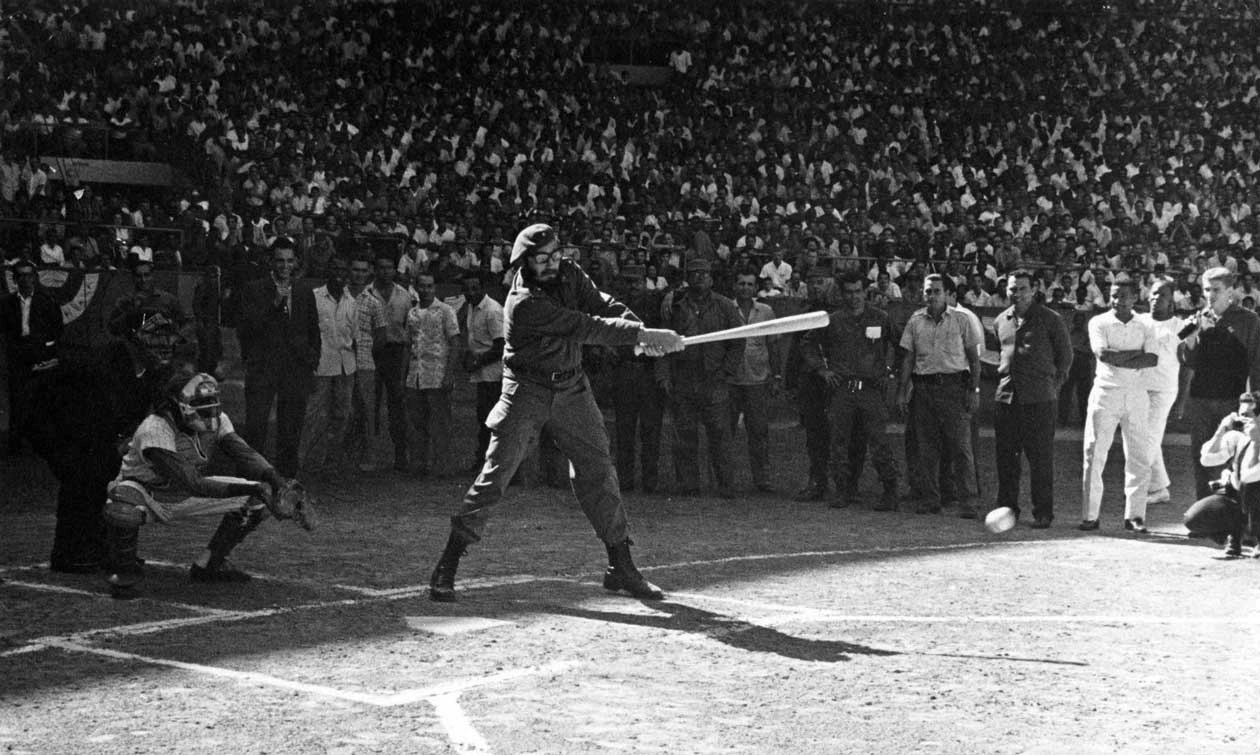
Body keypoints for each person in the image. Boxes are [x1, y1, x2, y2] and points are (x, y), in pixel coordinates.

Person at [426, 223, 684, 603]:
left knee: (598, 469)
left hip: (571, 387)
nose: (551, 264)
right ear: (524, 262)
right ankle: (448, 563)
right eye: (541, 259)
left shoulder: (569, 273)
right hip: (525, 391)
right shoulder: (524, 302)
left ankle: (620, 565)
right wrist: (642, 337)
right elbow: (584, 326)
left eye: (555, 255)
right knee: (496, 475)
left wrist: (641, 331)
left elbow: (602, 305)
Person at [23, 304, 187, 573]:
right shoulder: (106, 366)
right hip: (55, 422)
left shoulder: (151, 371)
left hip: (89, 426)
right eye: (156, 337)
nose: (165, 345)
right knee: (84, 476)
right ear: (133, 338)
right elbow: (87, 422)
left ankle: (107, 550)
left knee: (115, 473)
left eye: (167, 337)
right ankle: (70, 554)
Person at [101, 370, 290, 599]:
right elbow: (192, 483)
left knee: (258, 500)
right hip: (146, 494)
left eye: (211, 401)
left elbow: (245, 454)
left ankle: (209, 564)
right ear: (176, 403)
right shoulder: (155, 428)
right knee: (123, 506)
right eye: (200, 402)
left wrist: (278, 482)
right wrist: (255, 488)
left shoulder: (219, 420)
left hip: (184, 494)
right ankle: (123, 574)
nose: (208, 408)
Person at [801, 272, 899, 510]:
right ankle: (843, 489)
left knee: (879, 441)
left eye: (858, 291)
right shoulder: (833, 320)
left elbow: (901, 345)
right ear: (842, 294)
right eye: (849, 292)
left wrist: (889, 371)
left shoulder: (880, 318)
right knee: (839, 442)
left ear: (865, 292)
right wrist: (822, 370)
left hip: (871, 389)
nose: (854, 297)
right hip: (842, 389)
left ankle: (890, 490)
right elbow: (808, 344)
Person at [991, 270, 1073, 528]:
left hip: (1039, 401)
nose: (1017, 294)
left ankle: (1043, 513)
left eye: (1023, 288)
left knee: (1040, 460)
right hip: (1007, 399)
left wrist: (1051, 388)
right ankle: (1007, 509)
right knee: (1006, 459)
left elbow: (1065, 358)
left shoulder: (1051, 319)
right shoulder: (1000, 321)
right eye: (1013, 289)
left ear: (1034, 289)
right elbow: (998, 355)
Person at [657, 258, 744, 497]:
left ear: (711, 278)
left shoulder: (725, 306)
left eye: (704, 273)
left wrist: (726, 371)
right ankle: (688, 484)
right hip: (683, 378)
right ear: (688, 278)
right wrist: (664, 376)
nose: (700, 277)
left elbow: (738, 341)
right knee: (684, 434)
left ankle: (725, 484)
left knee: (720, 434)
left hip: (714, 379)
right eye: (695, 273)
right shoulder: (675, 306)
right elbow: (662, 343)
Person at [897, 274, 982, 517]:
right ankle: (930, 499)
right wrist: (902, 391)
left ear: (946, 294)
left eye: (936, 291)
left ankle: (968, 501)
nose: (931, 296)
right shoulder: (916, 320)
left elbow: (974, 360)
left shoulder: (961, 319)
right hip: (924, 389)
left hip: (954, 388)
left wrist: (974, 390)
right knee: (926, 448)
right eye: (928, 291)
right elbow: (909, 358)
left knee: (961, 448)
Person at [237, 237, 320, 477]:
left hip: (295, 368)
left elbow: (313, 330)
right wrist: (274, 303)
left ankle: (285, 480)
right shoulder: (255, 288)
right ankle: (251, 479)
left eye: (289, 261)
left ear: (296, 263)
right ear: (271, 262)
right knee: (256, 426)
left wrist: (312, 360)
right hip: (263, 366)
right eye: (280, 261)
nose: (285, 266)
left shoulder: (304, 290)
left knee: (291, 428)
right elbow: (247, 328)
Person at [1080, 280, 1158, 532]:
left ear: (1135, 297)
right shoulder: (1098, 322)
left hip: (1137, 395)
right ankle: (1090, 516)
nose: (1118, 301)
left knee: (1139, 456)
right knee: (1094, 454)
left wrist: (1119, 357)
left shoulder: (1147, 324)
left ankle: (1135, 516)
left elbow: (1152, 359)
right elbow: (1103, 355)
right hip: (1105, 394)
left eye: (1124, 296)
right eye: (1114, 296)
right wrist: (1135, 354)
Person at [1180, 267, 1260, 499]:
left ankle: (1233, 513)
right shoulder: (1198, 319)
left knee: (1233, 459)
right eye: (1207, 290)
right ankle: (1204, 510)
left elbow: (1256, 363)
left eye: (1216, 290)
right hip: (1201, 400)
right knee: (1202, 457)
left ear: (1230, 291)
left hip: (1232, 401)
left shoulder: (1249, 320)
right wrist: (1191, 338)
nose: (1210, 295)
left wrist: (1254, 403)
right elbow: (1189, 362)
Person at [1184, 391, 1260, 558]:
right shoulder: (1238, 437)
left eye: (1249, 416)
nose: (1244, 421)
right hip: (1242, 500)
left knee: (1252, 489)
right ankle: (1235, 535)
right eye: (1241, 415)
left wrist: (1256, 442)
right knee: (1194, 518)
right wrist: (1222, 430)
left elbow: (1251, 477)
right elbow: (1206, 459)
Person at [299, 256, 356, 476]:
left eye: (343, 270)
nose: (340, 274)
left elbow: (354, 336)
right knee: (313, 414)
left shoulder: (352, 301)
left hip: (345, 367)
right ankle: (304, 461)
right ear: (328, 271)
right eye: (335, 269)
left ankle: (332, 462)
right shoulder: (315, 297)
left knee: (342, 415)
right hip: (320, 365)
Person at [610, 264, 665, 493]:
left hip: (649, 372)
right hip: (624, 371)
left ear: (644, 282)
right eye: (628, 282)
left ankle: (650, 481)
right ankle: (625, 481)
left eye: (636, 282)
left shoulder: (656, 303)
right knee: (624, 430)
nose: (632, 286)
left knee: (651, 430)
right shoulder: (615, 307)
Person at [788, 266, 840, 501]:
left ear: (831, 283)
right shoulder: (805, 313)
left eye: (820, 282)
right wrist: (790, 382)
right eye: (811, 283)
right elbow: (795, 350)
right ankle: (817, 480)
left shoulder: (842, 311)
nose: (816, 287)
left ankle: (845, 484)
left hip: (839, 379)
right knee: (815, 433)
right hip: (811, 380)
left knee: (843, 433)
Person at [1, 259, 62, 456]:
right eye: (22, 276)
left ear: (35, 278)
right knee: (17, 399)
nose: (26, 280)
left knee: (43, 398)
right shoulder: (6, 303)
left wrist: (48, 350)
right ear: (15, 279)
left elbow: (57, 328)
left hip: (41, 354)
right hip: (18, 355)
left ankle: (43, 442)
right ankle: (15, 443)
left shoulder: (47, 301)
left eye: (29, 275)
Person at [729, 271, 779, 494]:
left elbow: (773, 344)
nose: (745, 288)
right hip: (731, 380)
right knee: (725, 431)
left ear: (755, 287)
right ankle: (725, 478)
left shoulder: (766, 311)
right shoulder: (726, 308)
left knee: (759, 432)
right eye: (741, 283)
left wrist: (776, 376)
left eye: (750, 284)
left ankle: (762, 479)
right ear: (735, 286)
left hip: (757, 380)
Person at [405, 272, 459, 477]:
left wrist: (449, 374)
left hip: (437, 374)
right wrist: (404, 375)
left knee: (439, 423)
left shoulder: (445, 311)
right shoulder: (412, 313)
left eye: (429, 286)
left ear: (435, 288)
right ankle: (419, 463)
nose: (426, 290)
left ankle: (441, 466)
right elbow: (408, 345)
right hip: (416, 375)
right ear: (416, 288)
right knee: (417, 422)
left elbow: (454, 343)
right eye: (422, 286)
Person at [1137, 280, 1185, 506]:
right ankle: (1159, 488)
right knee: (1145, 438)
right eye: (1154, 294)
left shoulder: (1180, 326)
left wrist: (1182, 401)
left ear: (1171, 301)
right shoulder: (1139, 322)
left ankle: (1139, 487)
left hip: (1163, 391)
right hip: (1138, 388)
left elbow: (1187, 365)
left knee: (1147, 440)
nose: (1157, 298)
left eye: (1163, 295)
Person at [368, 249, 415, 471]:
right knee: (369, 404)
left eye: (389, 268)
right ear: (375, 270)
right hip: (371, 353)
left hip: (396, 354)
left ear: (395, 270)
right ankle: (366, 453)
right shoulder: (366, 293)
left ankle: (400, 454)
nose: (385, 272)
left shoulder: (404, 295)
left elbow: (409, 329)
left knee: (397, 404)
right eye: (381, 268)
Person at [459, 270, 505, 473]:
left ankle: (493, 463)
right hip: (482, 374)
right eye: (467, 289)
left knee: (492, 419)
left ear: (483, 289)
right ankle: (484, 460)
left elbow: (501, 346)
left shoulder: (492, 310)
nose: (471, 293)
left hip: (494, 374)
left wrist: (477, 362)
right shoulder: (471, 307)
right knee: (483, 417)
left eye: (475, 288)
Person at [346, 254, 381, 472]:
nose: (359, 274)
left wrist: (367, 352)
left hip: (365, 363)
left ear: (368, 273)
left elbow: (381, 335)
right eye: (355, 270)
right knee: (344, 410)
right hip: (341, 362)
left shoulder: (373, 302)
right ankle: (345, 454)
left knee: (366, 410)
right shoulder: (341, 296)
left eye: (363, 270)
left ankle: (369, 455)